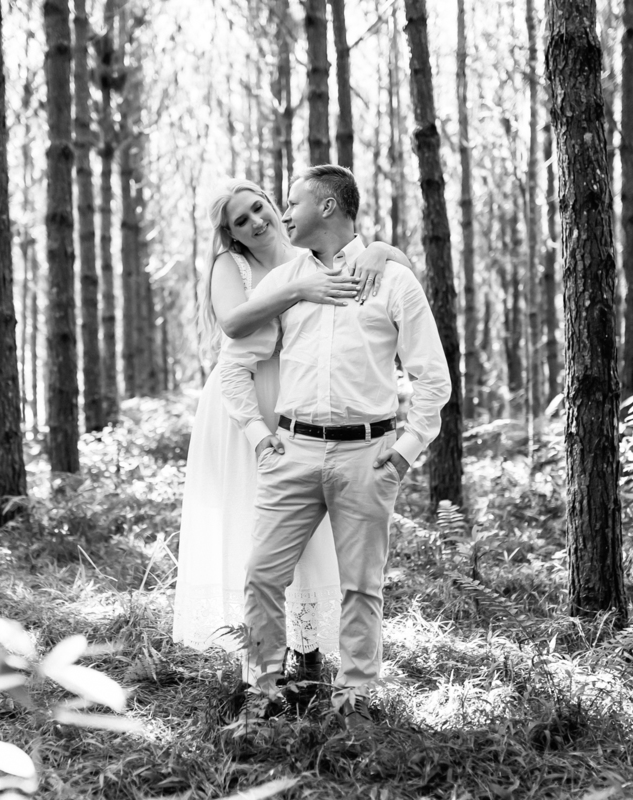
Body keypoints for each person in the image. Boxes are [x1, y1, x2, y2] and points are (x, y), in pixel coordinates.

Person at [220, 165, 450, 727]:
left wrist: (405, 449)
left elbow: (433, 377)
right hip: (292, 451)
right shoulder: (286, 283)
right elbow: (234, 365)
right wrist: (259, 437)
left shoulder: (392, 280)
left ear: (326, 207)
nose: (283, 214)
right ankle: (265, 689)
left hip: (367, 455)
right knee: (262, 575)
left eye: (292, 202)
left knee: (361, 587)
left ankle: (354, 697)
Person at [172, 179, 411, 675]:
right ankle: (259, 663)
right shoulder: (232, 265)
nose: (257, 221)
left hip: (302, 394)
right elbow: (233, 324)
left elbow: (389, 270)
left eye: (259, 208)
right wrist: (297, 290)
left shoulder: (308, 248)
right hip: (247, 396)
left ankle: (309, 647)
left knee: (314, 532)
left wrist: (381, 249)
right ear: (231, 234)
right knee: (260, 529)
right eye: (241, 221)